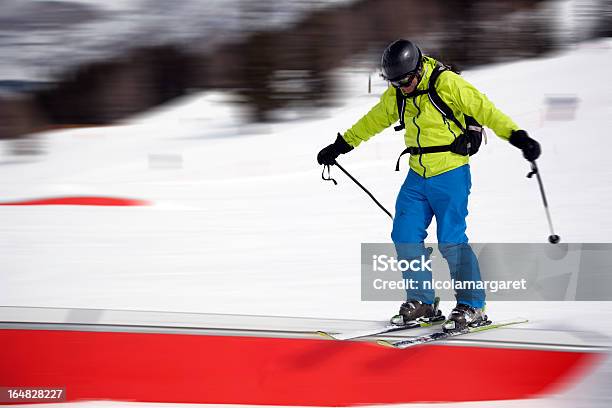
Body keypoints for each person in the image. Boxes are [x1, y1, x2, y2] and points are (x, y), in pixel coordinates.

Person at [317, 39, 540, 332]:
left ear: (418, 68)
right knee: (404, 235)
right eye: (395, 83)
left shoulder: (447, 83)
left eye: (406, 81)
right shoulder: (398, 94)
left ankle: (473, 305)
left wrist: (518, 137)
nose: (402, 87)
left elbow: (486, 110)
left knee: (451, 240)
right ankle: (422, 302)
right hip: (417, 175)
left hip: (450, 171)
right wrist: (340, 145)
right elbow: (372, 121)